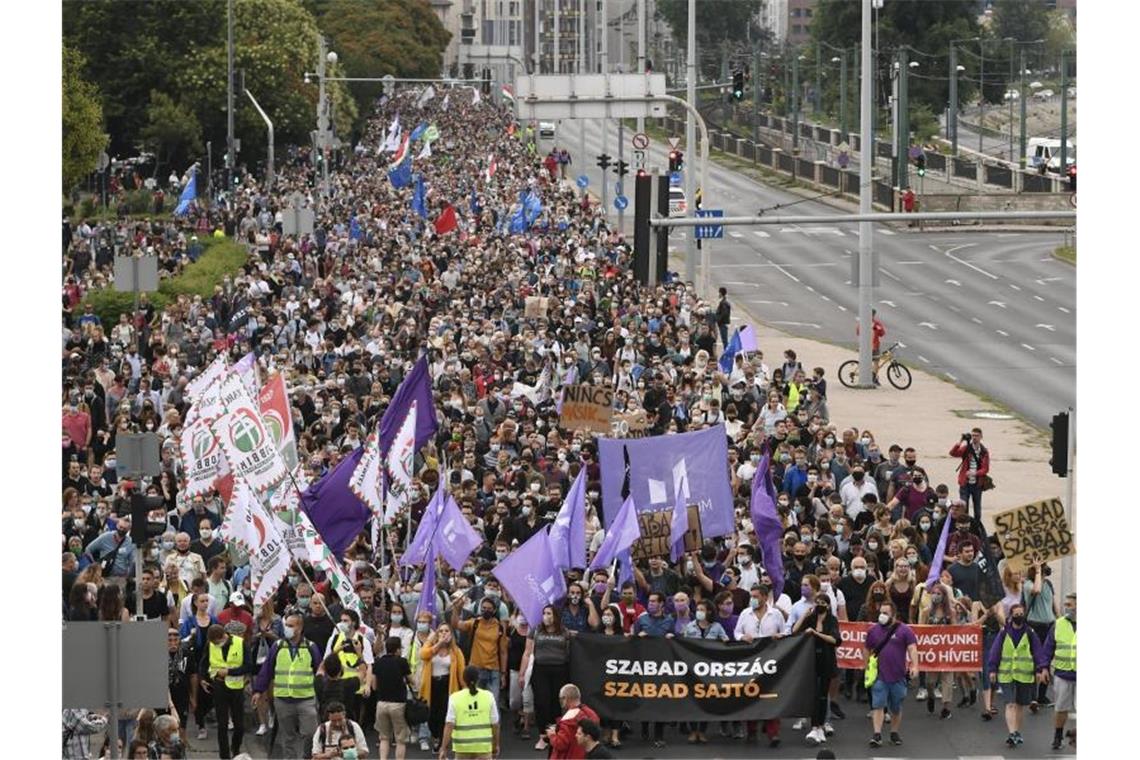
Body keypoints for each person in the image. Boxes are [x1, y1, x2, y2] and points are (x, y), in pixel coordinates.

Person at [251, 610, 322, 760]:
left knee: (310, 734)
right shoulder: (278, 646)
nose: (287, 628)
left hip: (306, 699)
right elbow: (267, 670)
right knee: (287, 737)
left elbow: (319, 671)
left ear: (300, 628)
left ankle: (306, 757)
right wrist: (258, 691)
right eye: (286, 625)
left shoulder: (311, 647)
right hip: (283, 700)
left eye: (291, 625)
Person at [987, 601, 1049, 748]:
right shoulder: (1003, 633)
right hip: (1006, 674)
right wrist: (992, 669)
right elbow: (995, 652)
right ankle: (1012, 733)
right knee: (1010, 704)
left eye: (1021, 614)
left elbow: (1038, 652)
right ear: (1011, 616)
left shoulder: (1030, 633)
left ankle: (1017, 732)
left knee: (1020, 705)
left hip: (1024, 674)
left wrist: (1041, 669)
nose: (1019, 617)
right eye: (1016, 615)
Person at [864, 600, 919, 748]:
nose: (881, 616)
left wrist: (914, 665)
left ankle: (894, 732)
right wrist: (867, 667)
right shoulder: (873, 631)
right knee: (878, 705)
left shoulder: (904, 630)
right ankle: (877, 734)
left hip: (898, 676)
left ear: (893, 614)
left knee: (896, 707)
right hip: (879, 676)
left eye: (885, 613)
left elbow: (912, 648)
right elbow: (867, 649)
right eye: (880, 612)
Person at [197, 623, 253, 758]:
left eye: (217, 642)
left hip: (236, 687)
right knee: (222, 725)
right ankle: (224, 756)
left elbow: (248, 666)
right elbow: (204, 663)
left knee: (239, 725)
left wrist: (229, 672)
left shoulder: (240, 643)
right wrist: (203, 678)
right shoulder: (210, 644)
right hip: (219, 686)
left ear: (223, 636)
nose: (216, 645)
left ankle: (236, 748)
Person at [793, 591, 840, 746]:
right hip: (811, 661)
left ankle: (820, 726)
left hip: (826, 661)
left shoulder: (832, 620)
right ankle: (814, 726)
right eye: (817, 602)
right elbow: (795, 631)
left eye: (823, 603)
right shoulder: (810, 619)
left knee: (822, 695)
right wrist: (804, 616)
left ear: (827, 606)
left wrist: (816, 634)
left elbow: (834, 640)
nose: (819, 605)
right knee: (813, 694)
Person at [451, 592, 508, 709]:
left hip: (494, 670)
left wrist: (503, 673)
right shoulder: (475, 623)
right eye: (484, 608)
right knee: (475, 702)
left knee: (493, 704)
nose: (486, 610)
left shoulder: (499, 627)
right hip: (476, 668)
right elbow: (456, 624)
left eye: (489, 609)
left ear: (494, 610)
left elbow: (503, 651)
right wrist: (456, 610)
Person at [419, 621, 467, 753]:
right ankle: (435, 736)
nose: (444, 633)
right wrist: (438, 643)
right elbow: (423, 654)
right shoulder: (432, 647)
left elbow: (462, 671)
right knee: (431, 715)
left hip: (447, 685)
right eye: (441, 631)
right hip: (432, 685)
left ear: (451, 634)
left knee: (445, 714)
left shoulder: (455, 651)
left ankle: (441, 743)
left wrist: (465, 688)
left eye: (446, 631)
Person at [439, 665, 500, 760]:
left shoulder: (455, 698)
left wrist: (444, 748)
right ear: (478, 679)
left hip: (462, 747)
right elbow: (495, 724)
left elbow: (449, 724)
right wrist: (495, 745)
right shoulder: (488, 696)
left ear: (463, 679)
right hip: (483, 746)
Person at [1043, 593, 1076, 750]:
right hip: (1063, 673)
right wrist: (1044, 668)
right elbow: (1048, 648)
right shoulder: (1059, 624)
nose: (1066, 608)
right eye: (1066, 604)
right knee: (1061, 708)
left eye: (1069, 605)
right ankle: (1057, 737)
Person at [373, 635, 414, 760]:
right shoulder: (402, 662)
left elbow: (374, 686)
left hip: (381, 703)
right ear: (397, 649)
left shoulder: (378, 662)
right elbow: (411, 680)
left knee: (384, 738)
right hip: (398, 704)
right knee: (400, 739)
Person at [546, 683, 600, 760]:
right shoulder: (591, 714)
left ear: (565, 698)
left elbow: (561, 744)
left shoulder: (569, 717)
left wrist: (552, 735)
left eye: (560, 699)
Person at [949, 428, 990, 521]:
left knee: (977, 509)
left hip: (977, 484)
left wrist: (975, 473)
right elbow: (953, 453)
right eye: (973, 436)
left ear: (981, 437)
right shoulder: (967, 448)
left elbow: (986, 469)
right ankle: (965, 525)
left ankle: (977, 527)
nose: (974, 438)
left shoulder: (984, 451)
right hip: (965, 484)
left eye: (976, 436)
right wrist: (960, 441)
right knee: (964, 508)